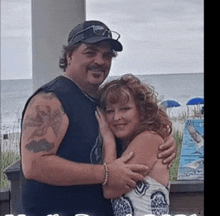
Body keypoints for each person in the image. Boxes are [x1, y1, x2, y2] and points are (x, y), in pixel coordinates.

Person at [19, 20, 176, 216]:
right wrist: (106, 173)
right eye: (90, 52)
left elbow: (134, 133)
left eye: (107, 55)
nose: (100, 61)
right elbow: (34, 165)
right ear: (69, 56)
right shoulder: (51, 99)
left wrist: (165, 138)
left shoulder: (101, 103)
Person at [96, 74, 172, 216]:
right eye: (110, 111)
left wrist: (108, 140)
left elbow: (110, 189)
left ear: (141, 110)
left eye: (125, 109)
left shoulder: (148, 138)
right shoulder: (131, 142)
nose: (116, 117)